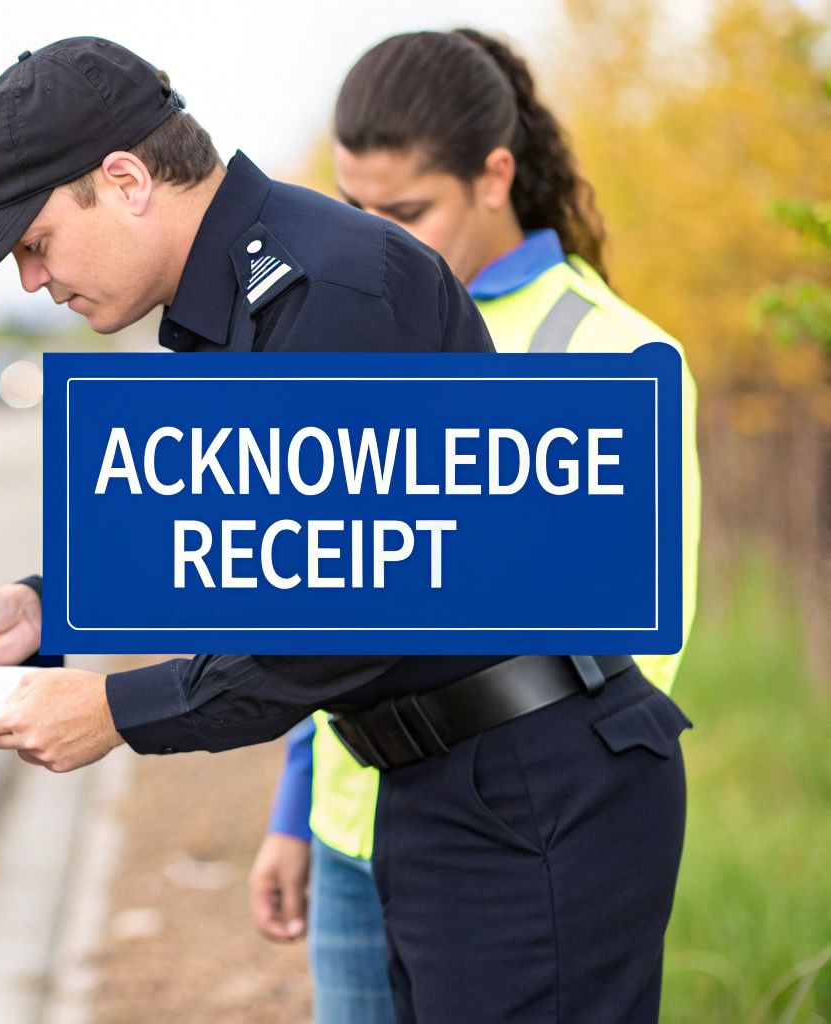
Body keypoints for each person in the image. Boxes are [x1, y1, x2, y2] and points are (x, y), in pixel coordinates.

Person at [0, 36, 691, 1023]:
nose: (29, 279)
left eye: (35, 239)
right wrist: (37, 608)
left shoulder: (323, 294)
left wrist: (112, 711)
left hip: (529, 790)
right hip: (450, 783)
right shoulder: (228, 302)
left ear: (124, 179)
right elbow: (232, 542)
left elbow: (330, 619)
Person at [243, 30, 703, 1024]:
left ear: (493, 175)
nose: (367, 239)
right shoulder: (344, 337)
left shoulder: (609, 355)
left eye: (403, 213)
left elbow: (631, 659)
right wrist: (294, 813)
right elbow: (326, 589)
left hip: (506, 844)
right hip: (348, 833)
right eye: (350, 209)